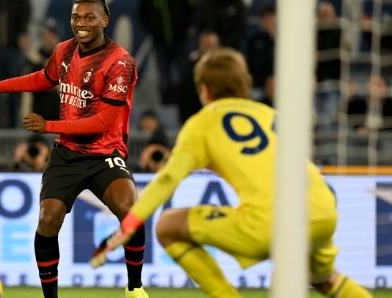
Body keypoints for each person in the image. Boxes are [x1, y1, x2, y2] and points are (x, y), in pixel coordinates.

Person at [90, 49, 373, 298]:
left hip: (270, 222)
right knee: (325, 281)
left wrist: (129, 225)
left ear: (204, 90)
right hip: (323, 212)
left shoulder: (203, 123)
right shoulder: (271, 114)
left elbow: (167, 178)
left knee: (168, 226)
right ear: (247, 84)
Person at [0, 1, 149, 297]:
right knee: (48, 220)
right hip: (67, 154)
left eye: (90, 16)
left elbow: (102, 122)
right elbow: (43, 78)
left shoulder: (120, 63)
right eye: (76, 17)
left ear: (105, 19)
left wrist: (48, 126)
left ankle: (135, 288)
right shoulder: (64, 50)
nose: (81, 22)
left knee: (131, 211)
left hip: (105, 153)